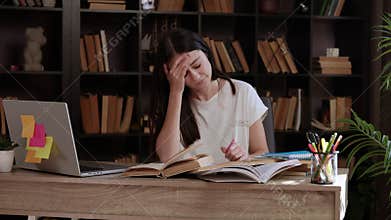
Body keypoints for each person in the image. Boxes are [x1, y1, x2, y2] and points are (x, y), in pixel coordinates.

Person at [151, 28, 269, 163]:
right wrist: (176, 92)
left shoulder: (243, 92)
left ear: (207, 55)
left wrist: (245, 158)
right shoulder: (172, 102)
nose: (196, 77)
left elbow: (262, 151)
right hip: (189, 183)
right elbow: (167, 157)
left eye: (197, 65)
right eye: (184, 74)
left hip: (234, 181)